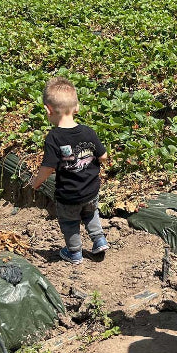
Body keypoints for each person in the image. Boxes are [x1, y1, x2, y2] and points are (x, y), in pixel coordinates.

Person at [31, 77, 109, 265]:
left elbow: (48, 167)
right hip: (91, 191)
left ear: (47, 110)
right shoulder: (88, 132)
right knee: (91, 214)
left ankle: (74, 252)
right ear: (77, 108)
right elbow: (104, 156)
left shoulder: (53, 137)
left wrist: (36, 182)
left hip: (68, 196)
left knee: (69, 223)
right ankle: (99, 240)